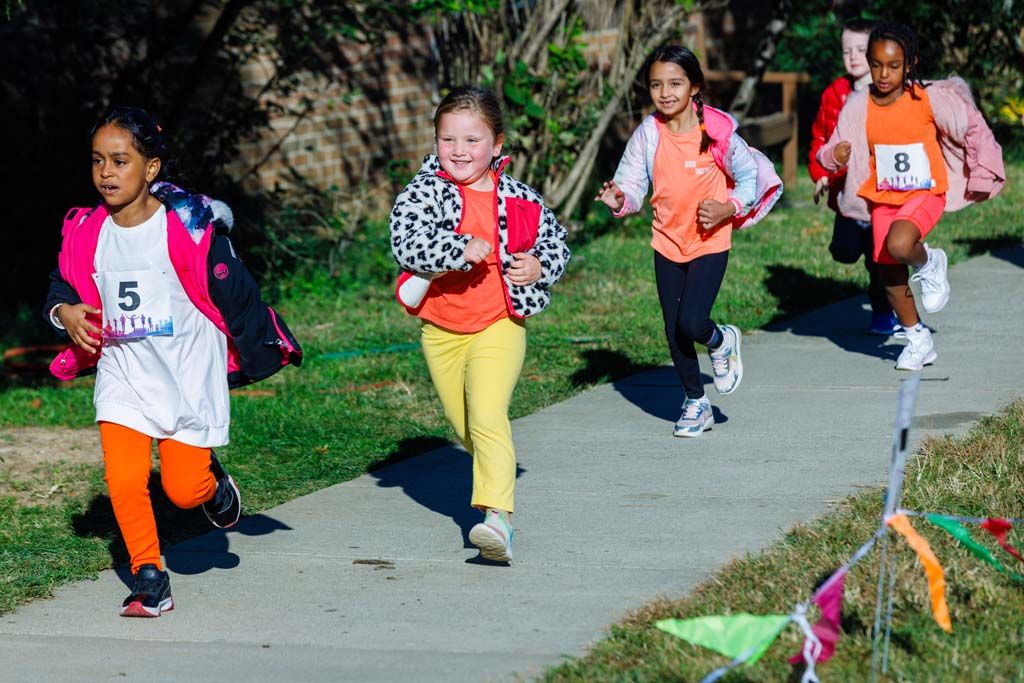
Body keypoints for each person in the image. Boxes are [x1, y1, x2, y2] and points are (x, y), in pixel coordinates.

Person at [44, 107, 303, 616]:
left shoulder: (190, 229)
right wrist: (66, 312)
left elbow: (237, 293)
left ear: (152, 169)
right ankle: (149, 576)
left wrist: (259, 350)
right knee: (123, 479)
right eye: (98, 161)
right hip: (124, 375)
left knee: (183, 491)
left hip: (186, 376)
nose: (106, 173)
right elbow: (60, 287)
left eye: (120, 161)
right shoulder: (86, 233)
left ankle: (212, 483)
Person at [389, 85, 570, 563]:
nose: (459, 151)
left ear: (497, 145)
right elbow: (405, 242)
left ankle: (497, 521)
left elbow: (557, 242)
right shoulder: (424, 191)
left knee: (488, 416)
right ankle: (496, 477)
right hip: (441, 331)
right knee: (468, 428)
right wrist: (457, 248)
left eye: (472, 140)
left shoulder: (519, 197)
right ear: (435, 142)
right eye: (449, 140)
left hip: (499, 322)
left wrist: (538, 266)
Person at [595, 45, 782, 438]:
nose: (665, 93)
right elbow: (631, 183)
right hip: (666, 240)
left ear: (694, 87)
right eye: (656, 85)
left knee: (692, 321)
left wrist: (729, 208)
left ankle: (720, 339)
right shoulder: (648, 132)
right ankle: (696, 402)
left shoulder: (715, 130)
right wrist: (620, 199)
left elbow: (747, 178)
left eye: (675, 83)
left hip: (710, 240)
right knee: (673, 329)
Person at [817, 23, 1005, 370]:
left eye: (893, 65)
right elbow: (830, 147)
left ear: (909, 64)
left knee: (900, 246)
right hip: (882, 197)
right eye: (876, 65)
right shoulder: (859, 104)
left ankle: (930, 262)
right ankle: (918, 338)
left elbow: (971, 126)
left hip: (924, 191)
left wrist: (981, 171)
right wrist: (834, 157)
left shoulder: (928, 98)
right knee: (889, 273)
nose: (883, 74)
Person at [809, 18, 899, 337]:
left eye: (861, 49)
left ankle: (884, 314)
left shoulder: (888, 92)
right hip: (847, 193)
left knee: (878, 262)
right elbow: (820, 137)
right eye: (846, 50)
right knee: (844, 251)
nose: (853, 57)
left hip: (880, 194)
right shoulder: (836, 93)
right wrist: (821, 173)